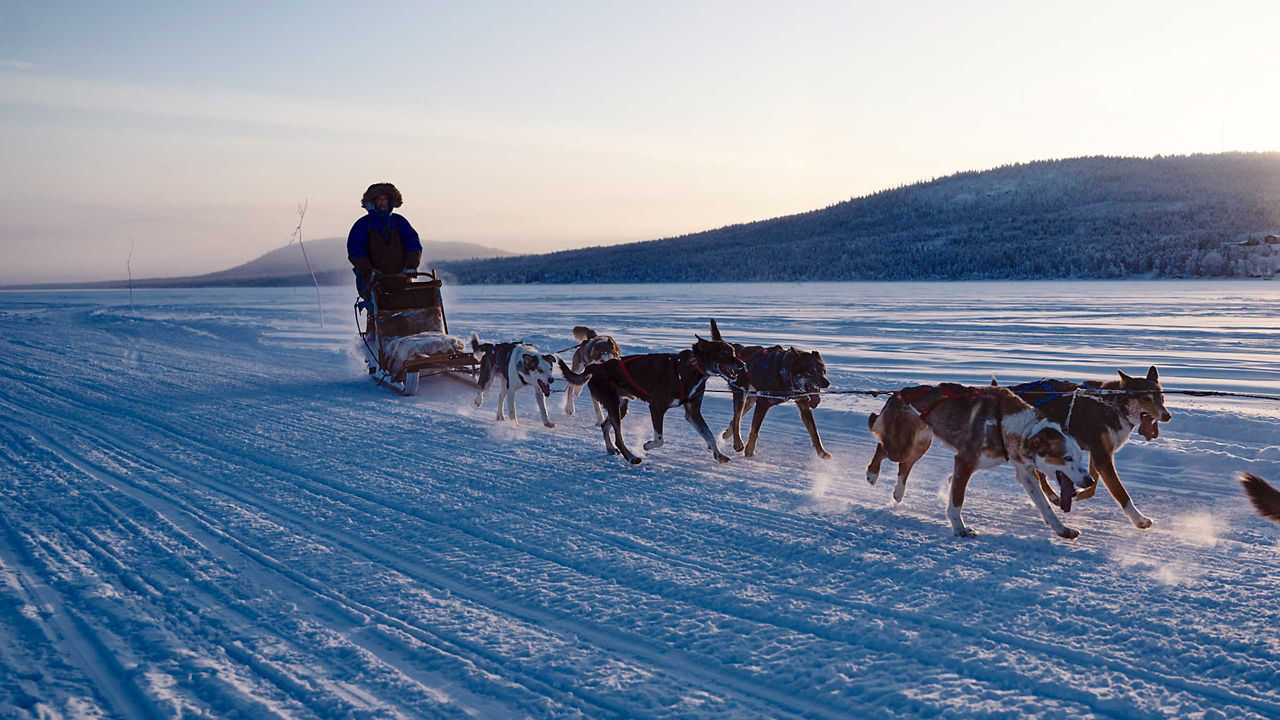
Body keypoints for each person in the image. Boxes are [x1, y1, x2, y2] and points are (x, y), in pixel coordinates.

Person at [347, 182, 423, 298]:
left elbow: (412, 243)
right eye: (379, 199)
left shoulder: (400, 222)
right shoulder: (362, 225)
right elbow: (356, 250)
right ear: (372, 201)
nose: (383, 202)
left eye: (385, 199)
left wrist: (411, 265)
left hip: (401, 279)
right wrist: (367, 270)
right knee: (380, 310)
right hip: (373, 283)